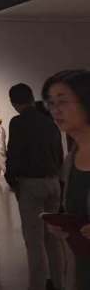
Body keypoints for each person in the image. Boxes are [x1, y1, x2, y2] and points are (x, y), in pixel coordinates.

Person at [6, 83, 64, 290]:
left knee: (34, 240)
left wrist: (12, 180)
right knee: (53, 238)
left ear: (13, 103)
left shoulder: (17, 122)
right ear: (31, 98)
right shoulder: (50, 122)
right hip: (53, 182)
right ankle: (59, 283)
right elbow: (59, 154)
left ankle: (38, 285)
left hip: (30, 184)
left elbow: (14, 153)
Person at [43, 70, 90, 289]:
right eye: (51, 103)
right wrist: (66, 226)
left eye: (62, 101)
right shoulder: (71, 158)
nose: (56, 110)